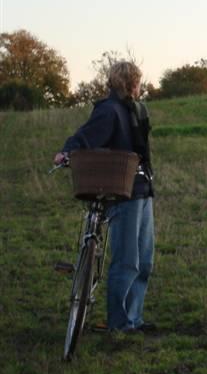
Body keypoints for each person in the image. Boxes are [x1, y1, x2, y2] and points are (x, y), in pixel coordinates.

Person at [53, 61, 156, 334]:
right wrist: (66, 152)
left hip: (144, 189)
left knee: (144, 261)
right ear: (129, 82)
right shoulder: (109, 111)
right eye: (137, 81)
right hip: (124, 192)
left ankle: (134, 319)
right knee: (127, 260)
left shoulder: (136, 109)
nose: (140, 85)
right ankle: (119, 323)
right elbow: (85, 137)